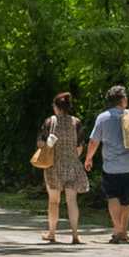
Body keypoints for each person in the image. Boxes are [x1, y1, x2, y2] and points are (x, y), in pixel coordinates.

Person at [84, 83, 129, 243]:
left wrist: (88, 158)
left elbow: (94, 142)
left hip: (110, 166)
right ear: (123, 99)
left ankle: (117, 227)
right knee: (127, 199)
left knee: (113, 196)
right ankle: (123, 231)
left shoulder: (103, 118)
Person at [39, 92, 86, 243]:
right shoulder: (76, 122)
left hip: (54, 165)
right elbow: (79, 146)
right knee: (72, 200)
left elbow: (42, 143)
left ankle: (52, 233)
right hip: (73, 164)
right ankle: (75, 234)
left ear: (56, 107)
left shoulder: (50, 122)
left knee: (54, 200)